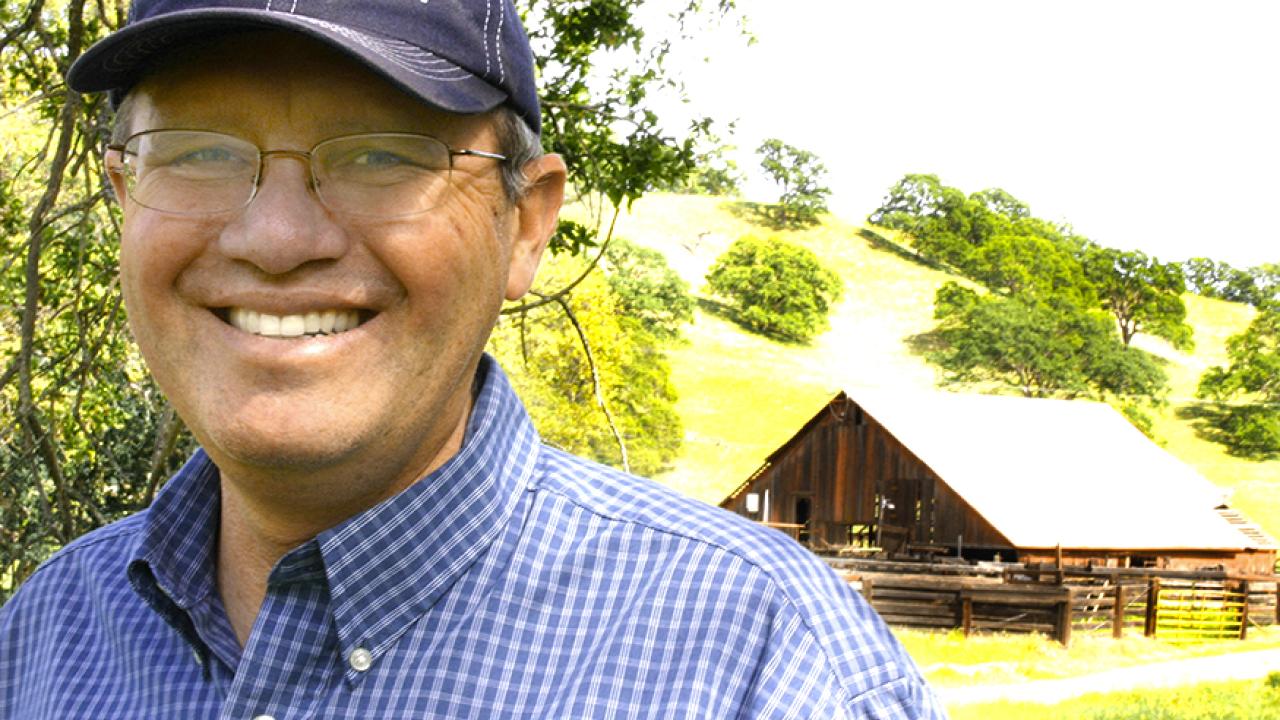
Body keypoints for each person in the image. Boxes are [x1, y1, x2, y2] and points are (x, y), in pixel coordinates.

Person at [0, 2, 945, 718]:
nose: (277, 240)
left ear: (525, 226)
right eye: (199, 153)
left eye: (381, 156)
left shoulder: (762, 664)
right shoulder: (46, 635)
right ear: (122, 193)